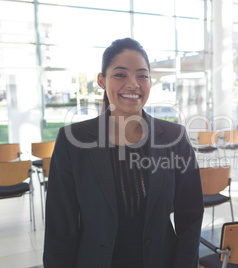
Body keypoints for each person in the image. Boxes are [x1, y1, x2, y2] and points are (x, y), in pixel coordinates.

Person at [43, 38, 204, 268]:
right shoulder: (72, 142)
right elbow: (60, 231)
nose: (133, 84)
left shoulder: (174, 138)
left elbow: (190, 217)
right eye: (120, 75)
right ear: (102, 80)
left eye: (142, 75)